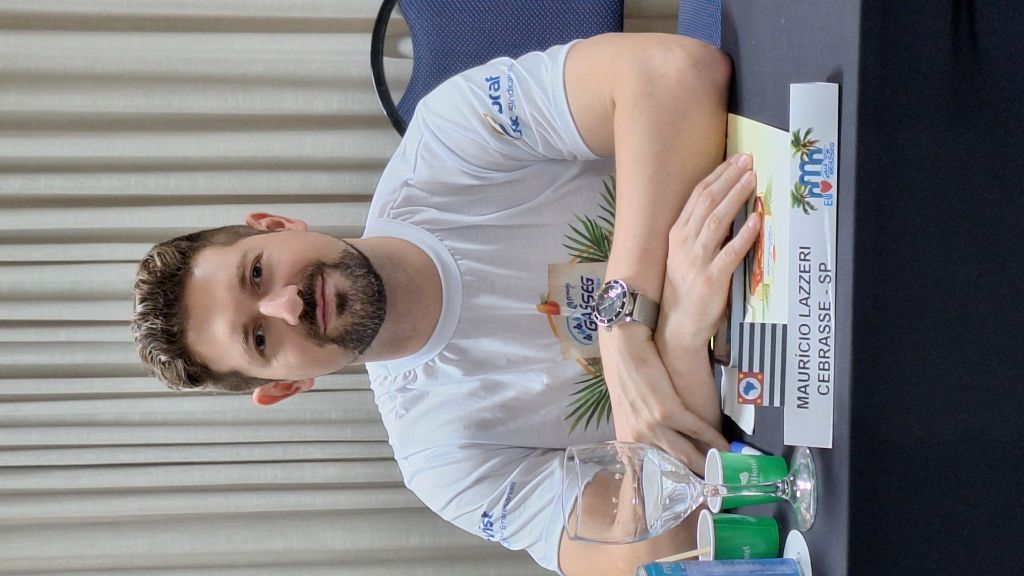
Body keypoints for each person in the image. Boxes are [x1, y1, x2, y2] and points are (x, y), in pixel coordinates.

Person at [131, 33, 760, 575]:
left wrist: (622, 332)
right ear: (286, 387)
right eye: (260, 339)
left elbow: (674, 72)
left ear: (275, 225)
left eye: (257, 273)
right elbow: (656, 561)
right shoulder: (442, 464)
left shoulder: (446, 140)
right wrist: (679, 339)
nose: (286, 305)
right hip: (780, 410)